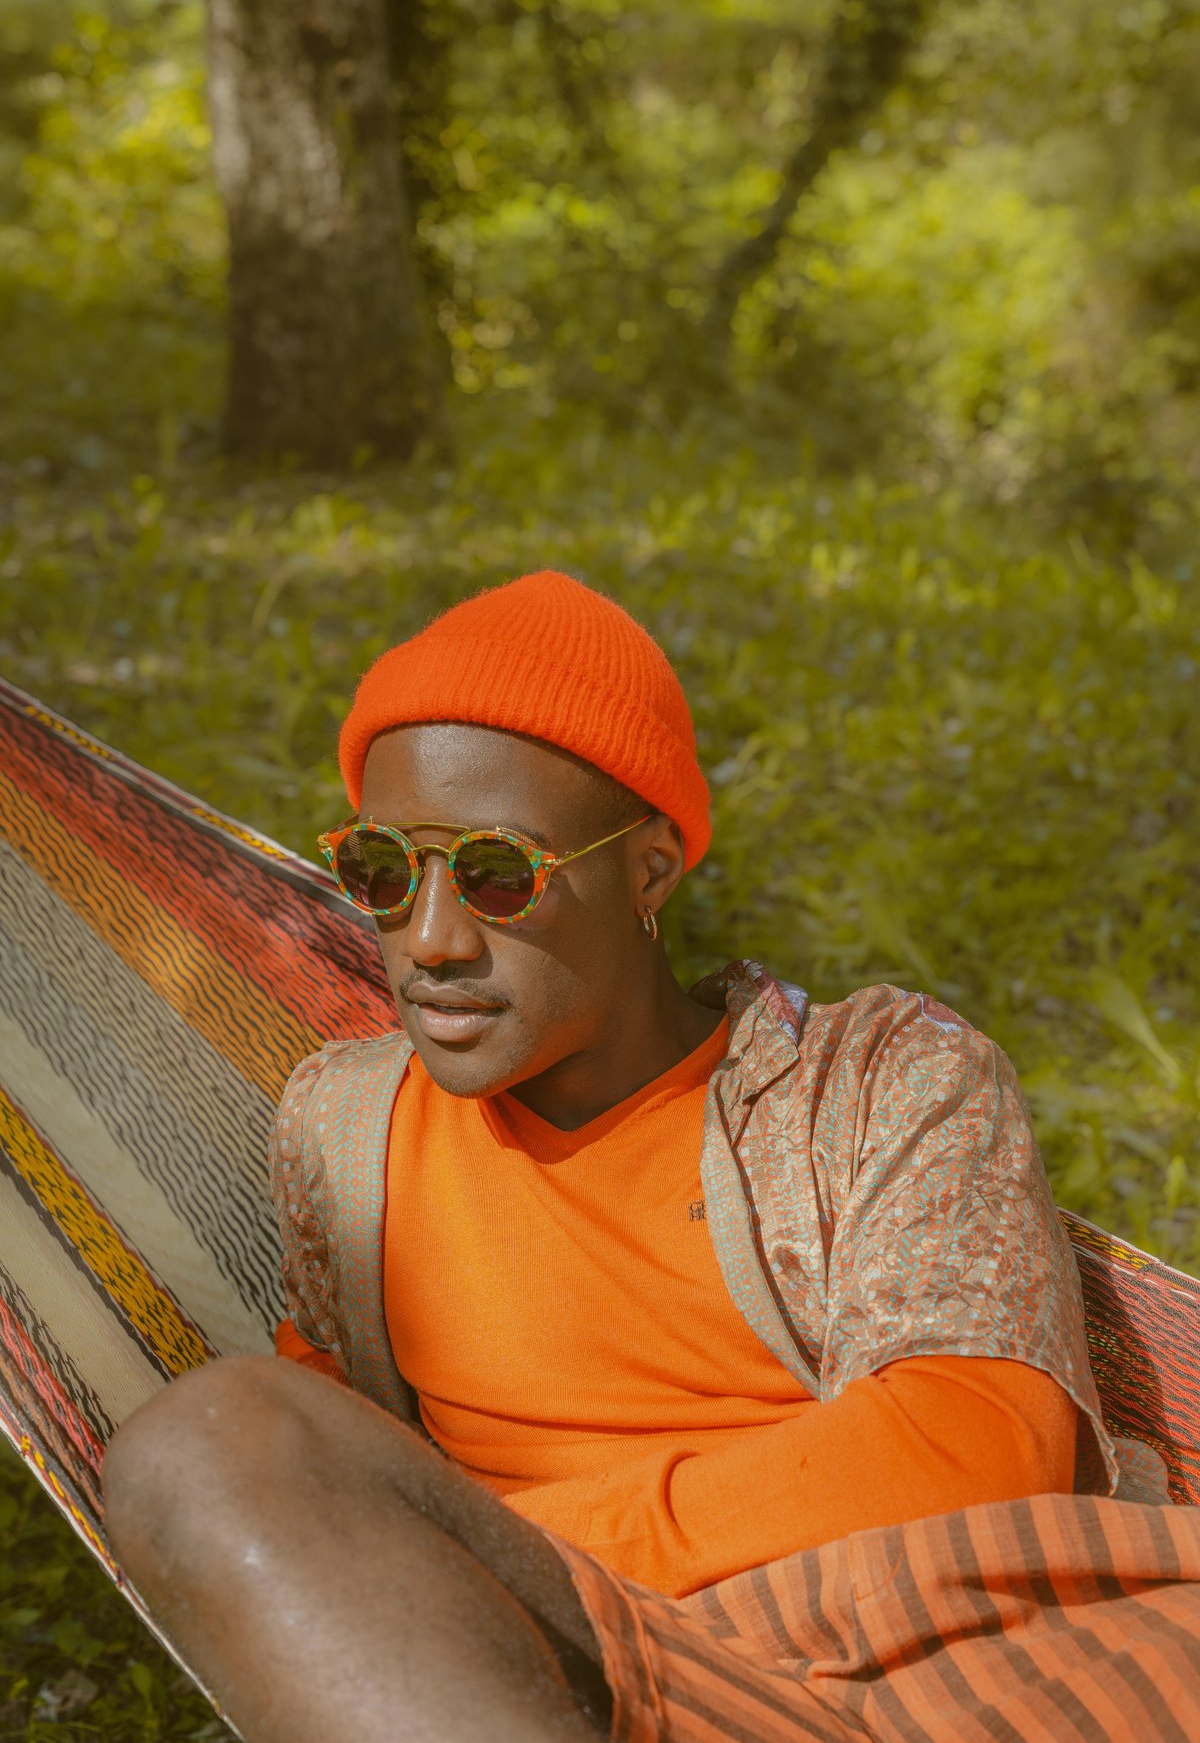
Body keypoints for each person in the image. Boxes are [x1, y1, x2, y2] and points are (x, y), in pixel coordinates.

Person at [102, 571, 1200, 1743]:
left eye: (495, 874)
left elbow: (977, 1442)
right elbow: (312, 1463)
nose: (428, 939)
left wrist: (510, 1542)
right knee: (199, 1449)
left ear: (651, 869)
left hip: (933, 1644)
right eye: (380, 869)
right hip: (558, 1677)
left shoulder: (878, 1079)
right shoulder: (343, 1130)